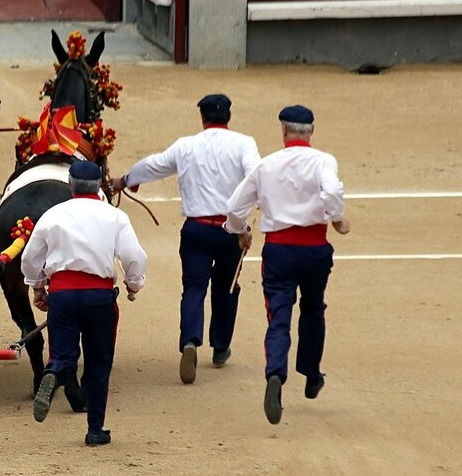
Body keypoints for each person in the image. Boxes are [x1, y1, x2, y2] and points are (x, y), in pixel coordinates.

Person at [116, 93, 260, 384]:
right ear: (228, 117)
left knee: (194, 288)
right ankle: (220, 347)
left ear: (202, 118)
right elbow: (256, 176)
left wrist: (126, 179)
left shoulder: (186, 146)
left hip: (195, 230)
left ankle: (190, 341)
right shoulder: (244, 144)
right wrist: (245, 223)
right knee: (226, 288)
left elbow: (153, 165)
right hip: (229, 230)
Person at [224, 105, 350, 424]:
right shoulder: (323, 160)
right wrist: (336, 217)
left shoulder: (266, 165)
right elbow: (332, 190)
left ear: (283, 131)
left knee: (278, 316)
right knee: (313, 307)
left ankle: (275, 374)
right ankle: (310, 374)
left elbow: (235, 207)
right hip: (315, 247)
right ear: (311, 131)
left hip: (279, 250)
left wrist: (239, 232)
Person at [20, 160, 148, 446]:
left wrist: (38, 287)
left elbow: (30, 258)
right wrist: (134, 283)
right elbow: (134, 257)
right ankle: (95, 430)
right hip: (99, 296)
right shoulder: (114, 216)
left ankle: (53, 372)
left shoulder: (53, 214)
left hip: (63, 295)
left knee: (63, 355)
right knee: (99, 362)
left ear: (70, 184)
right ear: (100, 183)